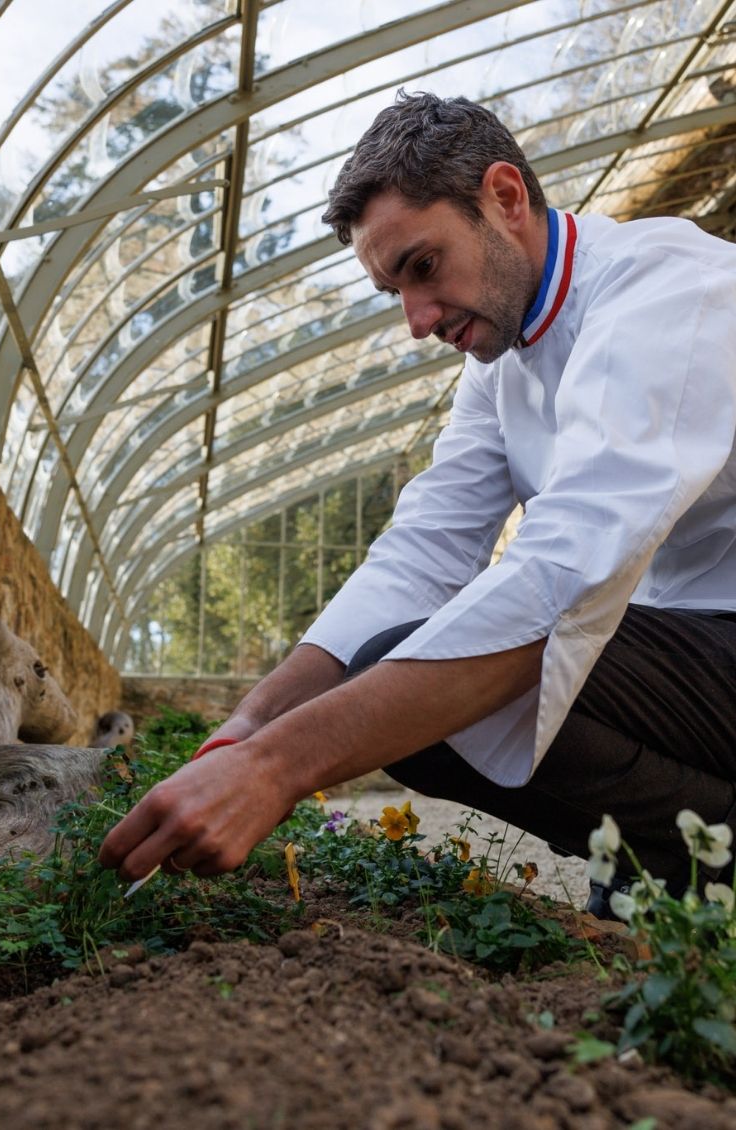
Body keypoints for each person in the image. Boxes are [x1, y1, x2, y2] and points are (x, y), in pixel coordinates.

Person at [100, 91, 736, 915]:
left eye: (422, 268)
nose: (415, 320)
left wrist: (276, 770)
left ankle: (703, 853)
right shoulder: (498, 360)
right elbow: (423, 555)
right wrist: (244, 731)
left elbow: (562, 580)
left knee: (459, 667)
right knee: (391, 671)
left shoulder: (663, 293)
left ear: (505, 199)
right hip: (693, 643)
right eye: (392, 290)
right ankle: (678, 856)